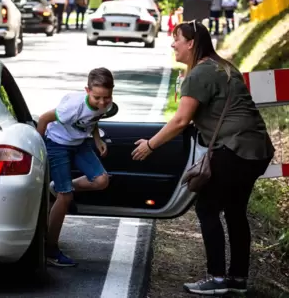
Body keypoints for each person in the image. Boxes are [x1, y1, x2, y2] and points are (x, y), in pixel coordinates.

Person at [131, 21, 274, 295]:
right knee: (234, 211)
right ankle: (237, 278)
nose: (173, 43)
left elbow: (180, 120)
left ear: (191, 43)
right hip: (257, 149)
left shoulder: (200, 73)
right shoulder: (224, 67)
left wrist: (150, 145)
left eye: (176, 38)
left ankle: (217, 278)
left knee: (207, 208)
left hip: (234, 149)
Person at [37, 67, 113, 267]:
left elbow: (93, 120)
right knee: (66, 197)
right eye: (97, 97)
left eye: (107, 97)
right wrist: (40, 148)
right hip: (57, 144)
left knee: (102, 180)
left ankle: (59, 187)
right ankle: (50, 249)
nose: (102, 102)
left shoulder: (105, 103)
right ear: (87, 91)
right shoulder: (73, 107)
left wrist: (97, 140)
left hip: (79, 144)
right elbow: (44, 119)